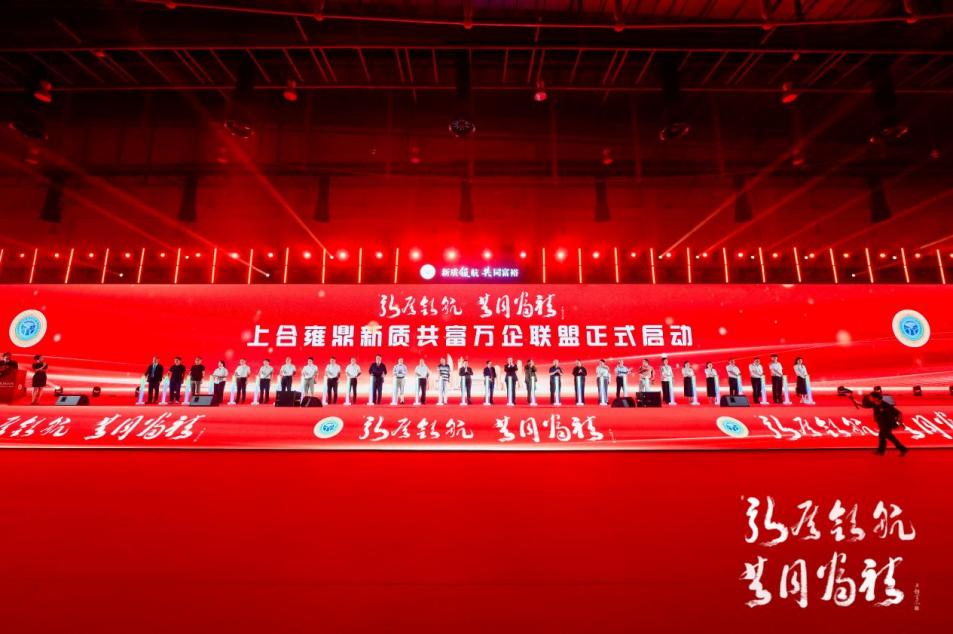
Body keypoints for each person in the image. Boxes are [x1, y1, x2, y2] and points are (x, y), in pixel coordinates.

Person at [868, 391, 908, 456]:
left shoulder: (885, 405)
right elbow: (864, 405)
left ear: (876, 398)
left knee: (889, 437)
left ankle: (903, 449)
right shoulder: (875, 404)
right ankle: (881, 451)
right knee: (883, 436)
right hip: (882, 424)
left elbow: (898, 413)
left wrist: (900, 422)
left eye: (871, 396)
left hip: (887, 424)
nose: (869, 398)